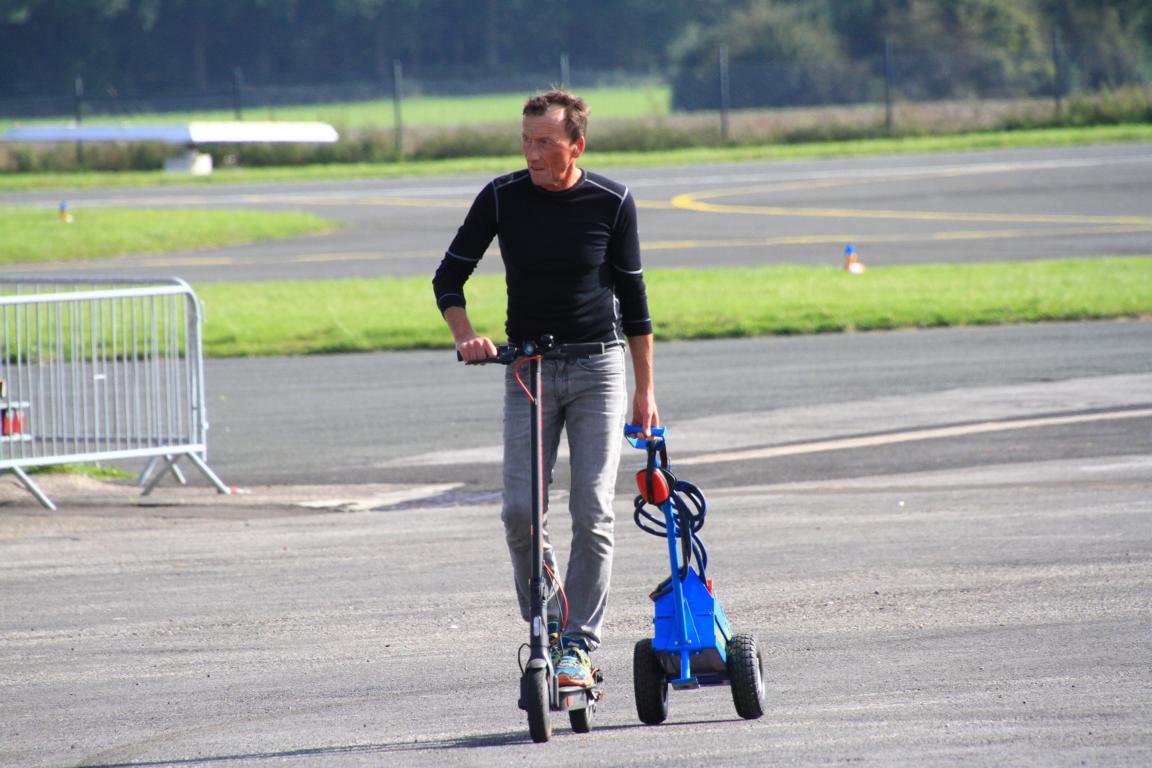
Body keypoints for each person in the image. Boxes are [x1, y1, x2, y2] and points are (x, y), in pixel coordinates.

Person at [433, 90, 658, 689]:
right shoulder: (501, 197)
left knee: (592, 510)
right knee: (519, 512)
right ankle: (552, 626)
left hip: (598, 370)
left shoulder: (612, 201)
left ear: (576, 146)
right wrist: (466, 335)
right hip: (527, 370)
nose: (532, 154)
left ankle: (579, 647)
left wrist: (645, 392)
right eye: (526, 141)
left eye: (545, 143)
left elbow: (635, 303)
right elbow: (449, 276)